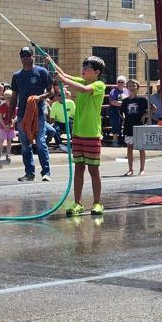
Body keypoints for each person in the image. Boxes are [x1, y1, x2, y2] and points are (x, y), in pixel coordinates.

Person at [47, 55, 106, 216]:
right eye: (83, 67)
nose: (83, 70)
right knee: (79, 168)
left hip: (92, 134)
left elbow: (83, 90)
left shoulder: (98, 85)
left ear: (97, 72)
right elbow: (64, 76)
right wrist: (51, 63)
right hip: (78, 133)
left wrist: (63, 79)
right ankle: (77, 203)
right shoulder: (81, 81)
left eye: (87, 68)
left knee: (94, 170)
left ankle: (97, 203)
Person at [9, 47, 53, 182]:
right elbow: (14, 96)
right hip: (22, 114)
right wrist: (10, 114)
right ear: (20, 58)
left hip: (38, 113)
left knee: (40, 143)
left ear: (32, 57)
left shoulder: (42, 72)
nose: (25, 58)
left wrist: (39, 98)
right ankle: (29, 173)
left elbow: (51, 92)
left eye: (28, 56)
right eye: (23, 56)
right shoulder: (17, 76)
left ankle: (46, 172)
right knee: (25, 144)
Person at [120, 79, 149, 176]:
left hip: (139, 126)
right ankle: (130, 169)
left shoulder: (142, 100)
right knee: (129, 148)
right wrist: (123, 119)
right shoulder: (125, 101)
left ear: (137, 88)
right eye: (130, 86)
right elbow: (121, 112)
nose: (132, 88)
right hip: (128, 126)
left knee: (141, 148)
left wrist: (145, 115)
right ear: (127, 88)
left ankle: (142, 169)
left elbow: (153, 108)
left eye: (134, 86)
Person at [48, 86, 76, 152]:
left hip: (69, 121)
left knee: (74, 127)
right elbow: (52, 118)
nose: (62, 97)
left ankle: (74, 144)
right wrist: (52, 124)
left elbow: (74, 115)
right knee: (54, 129)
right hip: (59, 122)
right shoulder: (54, 105)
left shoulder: (71, 103)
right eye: (60, 95)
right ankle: (60, 144)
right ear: (56, 97)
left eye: (63, 95)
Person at [108, 76, 129, 147]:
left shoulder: (127, 91)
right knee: (116, 124)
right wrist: (123, 104)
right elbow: (112, 102)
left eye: (122, 82)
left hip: (125, 110)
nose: (120, 83)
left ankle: (125, 141)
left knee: (127, 124)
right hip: (115, 110)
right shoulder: (113, 91)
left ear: (124, 83)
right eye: (118, 82)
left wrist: (124, 104)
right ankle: (115, 141)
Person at [0, 89, 16, 160]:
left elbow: (16, 116)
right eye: (7, 98)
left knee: (9, 140)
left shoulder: (13, 106)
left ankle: (8, 154)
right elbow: (0, 117)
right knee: (1, 140)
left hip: (10, 126)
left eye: (10, 98)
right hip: (3, 126)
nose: (8, 99)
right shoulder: (2, 106)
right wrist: (4, 126)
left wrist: (13, 122)